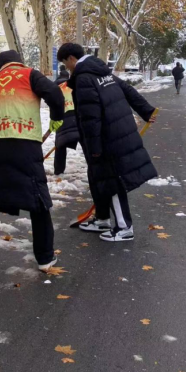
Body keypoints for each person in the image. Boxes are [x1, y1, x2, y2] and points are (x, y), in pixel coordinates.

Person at [0, 50, 64, 271]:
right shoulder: (30, 74)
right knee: (36, 194)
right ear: (20, 62)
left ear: (0, 66)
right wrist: (56, 117)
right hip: (25, 143)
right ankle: (45, 258)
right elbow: (55, 94)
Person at [57, 43, 157, 243]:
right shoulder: (100, 71)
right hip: (116, 132)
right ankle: (102, 219)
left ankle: (124, 228)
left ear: (71, 59)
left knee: (112, 181)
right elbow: (127, 89)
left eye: (65, 63)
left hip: (107, 138)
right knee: (98, 178)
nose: (66, 67)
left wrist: (94, 148)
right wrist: (146, 110)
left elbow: (90, 117)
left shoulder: (84, 78)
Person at [53, 80, 79, 176]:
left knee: (60, 145)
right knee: (87, 144)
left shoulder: (56, 89)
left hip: (63, 119)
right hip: (78, 118)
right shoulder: (74, 85)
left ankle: (58, 170)